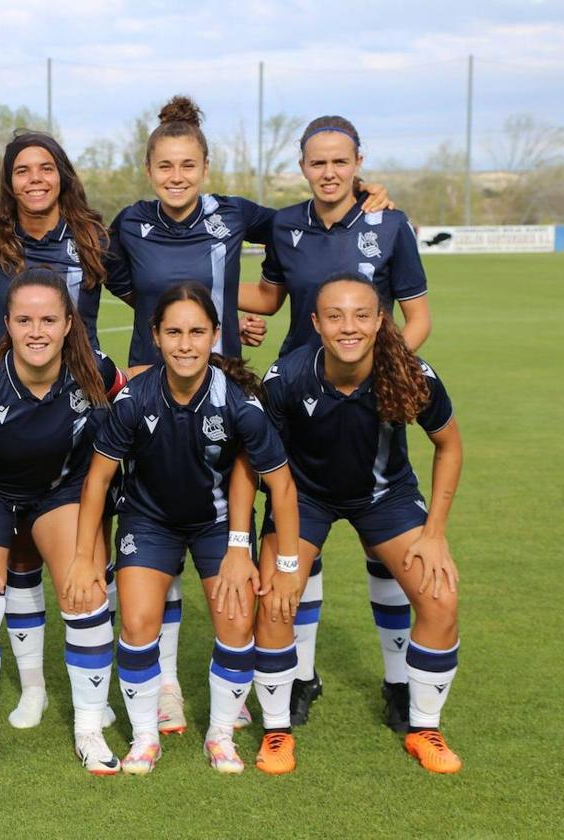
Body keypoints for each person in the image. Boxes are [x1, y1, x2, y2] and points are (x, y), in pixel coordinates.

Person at [104, 94, 391, 735]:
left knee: (235, 509)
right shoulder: (128, 223)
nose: (177, 177)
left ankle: (263, 665)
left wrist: (369, 191)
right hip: (151, 390)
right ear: (149, 170)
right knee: (155, 526)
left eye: (188, 166)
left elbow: (306, 224)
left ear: (206, 167)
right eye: (165, 167)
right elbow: (130, 286)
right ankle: (168, 685)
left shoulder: (236, 215)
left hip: (228, 390)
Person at [239, 115, 433, 730]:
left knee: (386, 543)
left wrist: (393, 370)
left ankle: (401, 684)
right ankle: (301, 676)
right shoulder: (284, 225)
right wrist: (204, 292)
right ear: (303, 168)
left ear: (357, 163)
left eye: (340, 162)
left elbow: (417, 315)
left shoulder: (389, 223)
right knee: (299, 540)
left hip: (371, 397)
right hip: (298, 404)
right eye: (317, 163)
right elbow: (271, 298)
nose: (329, 173)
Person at [73, 282, 299, 775]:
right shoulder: (133, 399)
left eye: (197, 332)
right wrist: (80, 557)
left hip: (217, 526)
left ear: (216, 335)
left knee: (238, 624)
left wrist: (283, 564)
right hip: (148, 520)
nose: (185, 344)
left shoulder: (238, 403)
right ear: (155, 336)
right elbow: (98, 481)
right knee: (135, 624)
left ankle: (220, 735)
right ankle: (144, 737)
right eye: (173, 332)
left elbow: (282, 488)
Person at [259, 273, 463, 775]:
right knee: (274, 597)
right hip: (302, 498)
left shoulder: (412, 374)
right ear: (316, 323)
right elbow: (259, 466)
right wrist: (273, 554)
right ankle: (276, 730)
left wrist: (434, 534)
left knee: (440, 598)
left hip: (385, 497)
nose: (348, 327)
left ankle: (423, 727)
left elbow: (449, 446)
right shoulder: (285, 379)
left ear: (379, 322)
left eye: (360, 315)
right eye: (335, 316)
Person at [0, 269, 127, 777]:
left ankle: (89, 726)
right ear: (7, 325)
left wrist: (91, 554)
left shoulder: (96, 373)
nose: (36, 331)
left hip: (59, 492)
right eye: (24, 320)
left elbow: (124, 425)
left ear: (69, 323)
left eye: (48, 319)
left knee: (86, 591)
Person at [0, 130, 114, 728]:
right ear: (9, 181)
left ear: (63, 175)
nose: (35, 179)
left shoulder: (94, 236)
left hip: (84, 403)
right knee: (21, 555)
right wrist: (18, 347)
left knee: (89, 562)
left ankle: (112, 695)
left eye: (46, 168)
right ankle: (33, 688)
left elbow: (163, 285)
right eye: (23, 170)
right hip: (11, 405)